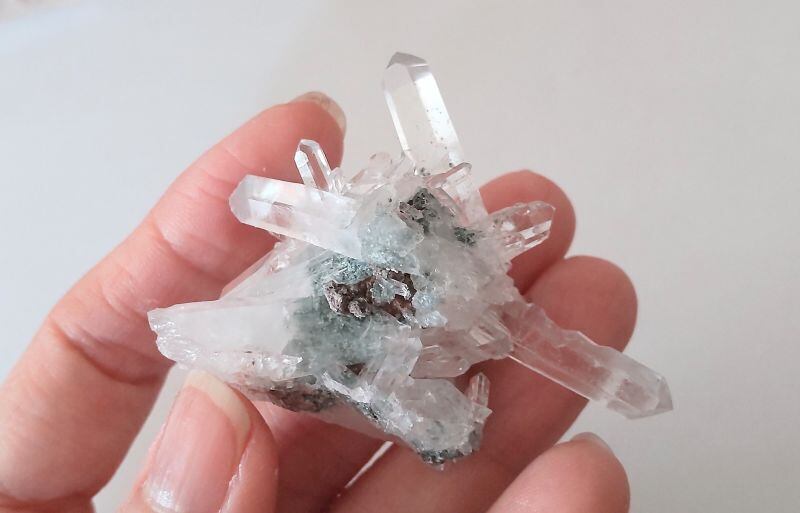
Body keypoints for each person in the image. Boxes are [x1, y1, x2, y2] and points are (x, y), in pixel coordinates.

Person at [0, 92, 636, 513]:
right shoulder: (328, 298)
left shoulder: (427, 288)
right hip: (295, 332)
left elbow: (259, 202)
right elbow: (259, 204)